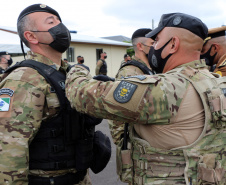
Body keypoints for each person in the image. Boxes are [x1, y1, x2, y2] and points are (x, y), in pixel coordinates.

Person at [66, 13, 226, 185]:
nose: (154, 47)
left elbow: (81, 95)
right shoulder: (217, 81)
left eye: (156, 41)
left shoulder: (167, 88)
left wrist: (77, 69)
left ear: (173, 44)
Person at [0, 4, 105, 184]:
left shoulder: (69, 73)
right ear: (31, 36)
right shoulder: (24, 79)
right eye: (51, 22)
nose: (60, 26)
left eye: (59, 21)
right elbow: (9, 148)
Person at [108, 28, 154, 183]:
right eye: (153, 43)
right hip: (135, 146)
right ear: (140, 46)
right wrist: (124, 143)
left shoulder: (150, 69)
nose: (156, 47)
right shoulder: (129, 72)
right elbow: (116, 113)